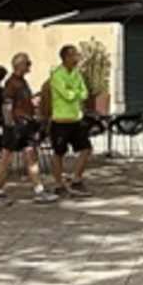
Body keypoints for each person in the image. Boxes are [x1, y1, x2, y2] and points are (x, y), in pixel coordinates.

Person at [0, 52, 56, 206]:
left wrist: (33, 102)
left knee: (31, 156)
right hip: (16, 126)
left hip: (26, 124)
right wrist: (10, 125)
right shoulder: (11, 83)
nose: (30, 66)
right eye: (27, 63)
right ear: (19, 65)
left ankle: (39, 190)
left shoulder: (22, 82)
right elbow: (7, 105)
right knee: (6, 158)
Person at [47, 45, 93, 195]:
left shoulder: (77, 74)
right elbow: (67, 96)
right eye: (74, 55)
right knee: (59, 152)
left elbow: (85, 93)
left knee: (86, 149)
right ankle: (58, 184)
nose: (77, 58)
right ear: (66, 57)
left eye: (77, 55)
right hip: (60, 120)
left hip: (76, 119)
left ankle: (76, 179)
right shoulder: (57, 75)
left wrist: (75, 93)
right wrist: (76, 93)